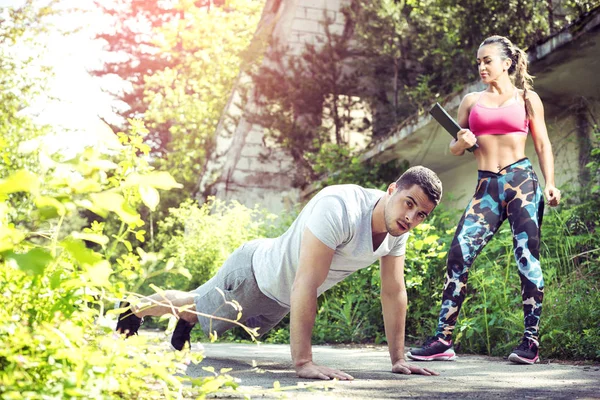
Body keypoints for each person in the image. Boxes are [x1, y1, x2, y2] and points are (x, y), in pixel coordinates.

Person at [116, 166, 443, 380]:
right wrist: (303, 363)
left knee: (210, 318)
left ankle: (187, 319)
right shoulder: (340, 207)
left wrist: (397, 360)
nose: (410, 217)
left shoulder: (397, 232)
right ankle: (134, 307)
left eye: (421, 215)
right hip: (254, 274)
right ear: (391, 191)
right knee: (198, 304)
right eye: (408, 203)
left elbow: (393, 292)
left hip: (278, 297)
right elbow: (307, 281)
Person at [407, 35, 561, 365]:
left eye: (487, 60)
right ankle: (443, 340)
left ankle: (530, 342)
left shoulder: (527, 98)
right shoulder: (470, 101)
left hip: (521, 182)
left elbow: (544, 144)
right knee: (458, 253)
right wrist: (461, 141)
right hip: (486, 187)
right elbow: (454, 147)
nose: (481, 66)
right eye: (478, 61)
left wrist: (550, 183)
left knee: (526, 257)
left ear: (506, 63)